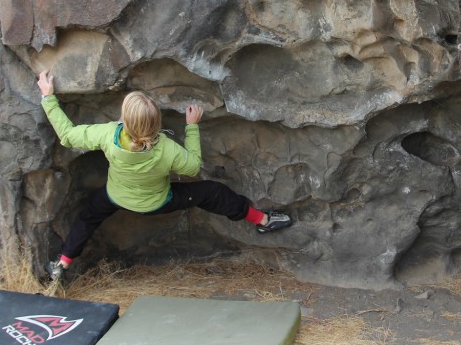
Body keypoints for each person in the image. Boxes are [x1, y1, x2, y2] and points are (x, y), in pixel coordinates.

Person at [37, 70, 293, 280]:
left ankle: (62, 262)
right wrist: (191, 127)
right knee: (213, 193)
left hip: (116, 196)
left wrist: (49, 97)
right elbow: (193, 167)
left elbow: (68, 136)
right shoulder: (165, 149)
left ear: (124, 120)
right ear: (156, 123)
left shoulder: (108, 134)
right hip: (158, 201)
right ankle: (262, 220)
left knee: (88, 216)